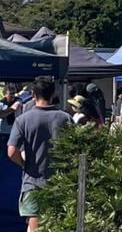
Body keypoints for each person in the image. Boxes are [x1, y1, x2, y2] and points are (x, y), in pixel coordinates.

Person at [7, 76, 72, 232]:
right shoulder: (66, 118)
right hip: (61, 182)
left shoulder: (23, 120)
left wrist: (24, 163)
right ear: (53, 93)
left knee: (35, 226)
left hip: (33, 182)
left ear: (33, 94)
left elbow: (11, 151)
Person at [0, 83, 22, 156]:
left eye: (14, 93)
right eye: (11, 93)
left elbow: (14, 108)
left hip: (15, 132)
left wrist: (4, 112)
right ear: (5, 94)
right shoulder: (1, 103)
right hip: (3, 132)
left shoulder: (18, 100)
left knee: (14, 153)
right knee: (3, 154)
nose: (13, 95)